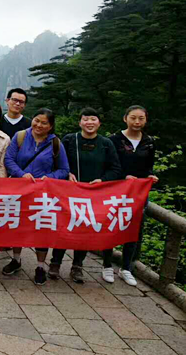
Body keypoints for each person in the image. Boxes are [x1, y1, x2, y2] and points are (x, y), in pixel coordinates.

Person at [50, 108, 121, 283]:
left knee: (85, 229)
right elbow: (56, 162)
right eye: (86, 119)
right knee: (64, 227)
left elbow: (115, 169)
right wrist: (66, 174)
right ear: (80, 122)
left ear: (99, 123)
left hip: (93, 195)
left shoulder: (106, 144)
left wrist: (102, 180)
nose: (89, 122)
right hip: (68, 192)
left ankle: (77, 266)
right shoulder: (69, 139)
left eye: (93, 119)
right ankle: (55, 263)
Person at [3, 108, 70, 285]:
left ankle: (40, 266)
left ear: (51, 126)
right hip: (20, 190)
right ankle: (16, 259)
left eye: (44, 123)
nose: (39, 125)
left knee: (42, 229)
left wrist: (49, 177)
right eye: (36, 120)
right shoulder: (20, 136)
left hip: (43, 194)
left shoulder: (55, 143)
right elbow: (9, 159)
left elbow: (64, 170)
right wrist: (21, 174)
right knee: (18, 225)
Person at [104, 105, 158, 287]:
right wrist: (123, 176)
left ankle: (126, 267)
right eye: (133, 117)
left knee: (134, 228)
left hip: (138, 193)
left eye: (141, 118)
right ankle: (106, 265)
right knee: (111, 225)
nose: (137, 122)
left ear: (146, 120)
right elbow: (108, 166)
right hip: (116, 190)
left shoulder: (149, 142)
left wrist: (150, 176)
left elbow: (148, 166)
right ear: (125, 118)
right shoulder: (114, 140)